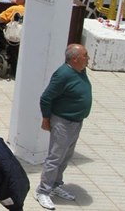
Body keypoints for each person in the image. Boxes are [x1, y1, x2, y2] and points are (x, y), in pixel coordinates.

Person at [34, 44, 92, 210]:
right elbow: (46, 98)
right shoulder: (63, 74)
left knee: (66, 156)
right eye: (85, 55)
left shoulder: (81, 70)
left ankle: (56, 184)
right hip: (63, 122)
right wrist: (46, 119)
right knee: (55, 157)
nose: (88, 59)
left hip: (76, 121)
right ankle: (43, 191)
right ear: (74, 59)